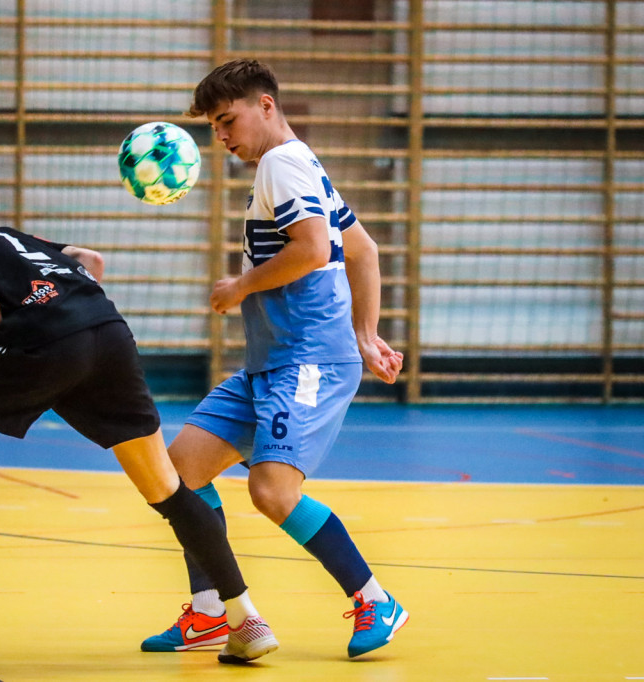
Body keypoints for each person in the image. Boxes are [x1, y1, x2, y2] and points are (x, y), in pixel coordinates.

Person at [0, 224, 278, 663]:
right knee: (168, 490)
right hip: (108, 331)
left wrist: (21, 358)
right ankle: (244, 619)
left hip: (40, 340)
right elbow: (91, 261)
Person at [139, 59, 408, 659]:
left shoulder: (280, 165)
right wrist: (366, 334)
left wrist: (240, 286)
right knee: (179, 473)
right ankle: (210, 613)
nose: (222, 136)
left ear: (265, 106)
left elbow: (314, 251)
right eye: (213, 127)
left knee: (272, 490)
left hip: (306, 361)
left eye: (227, 120)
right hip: (274, 361)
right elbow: (360, 251)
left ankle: (375, 600)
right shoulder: (302, 161)